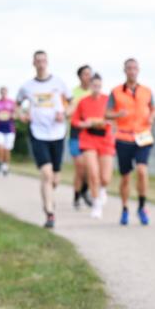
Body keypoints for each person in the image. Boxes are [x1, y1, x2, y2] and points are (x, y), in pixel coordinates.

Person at [17, 50, 70, 228]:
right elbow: (17, 105)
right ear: (33, 63)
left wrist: (65, 114)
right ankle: (49, 213)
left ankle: (49, 197)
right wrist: (22, 115)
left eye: (43, 60)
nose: (41, 64)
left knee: (55, 178)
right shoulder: (27, 86)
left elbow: (71, 102)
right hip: (38, 132)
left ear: (47, 62)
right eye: (37, 61)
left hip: (57, 133)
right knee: (46, 174)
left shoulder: (58, 83)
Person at [107, 58, 155, 226]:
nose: (132, 71)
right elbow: (106, 114)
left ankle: (142, 206)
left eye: (134, 68)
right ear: (125, 70)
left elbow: (154, 108)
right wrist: (117, 115)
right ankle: (125, 208)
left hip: (143, 136)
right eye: (129, 68)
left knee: (142, 171)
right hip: (123, 138)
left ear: (138, 70)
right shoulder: (115, 91)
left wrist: (152, 116)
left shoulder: (147, 91)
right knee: (126, 177)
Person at [74, 74, 115, 219]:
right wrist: (85, 123)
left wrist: (107, 122)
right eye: (94, 85)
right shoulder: (83, 102)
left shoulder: (107, 100)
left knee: (105, 177)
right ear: (90, 86)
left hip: (105, 139)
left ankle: (103, 189)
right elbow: (75, 121)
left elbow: (114, 118)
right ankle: (96, 203)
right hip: (88, 139)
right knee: (92, 173)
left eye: (99, 86)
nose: (96, 88)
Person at [69, 65, 94, 209]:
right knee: (80, 167)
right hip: (76, 133)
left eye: (90, 74)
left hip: (92, 135)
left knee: (90, 167)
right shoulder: (73, 93)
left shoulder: (95, 92)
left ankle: (85, 191)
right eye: (85, 74)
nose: (88, 77)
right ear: (79, 76)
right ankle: (77, 196)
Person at [0, 87, 17, 176]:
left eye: (5, 92)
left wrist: (11, 115)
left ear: (7, 93)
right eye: (2, 92)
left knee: (7, 150)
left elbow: (17, 113)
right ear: (0, 93)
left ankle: (5, 166)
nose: (3, 94)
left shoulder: (12, 103)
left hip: (9, 129)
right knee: (0, 148)